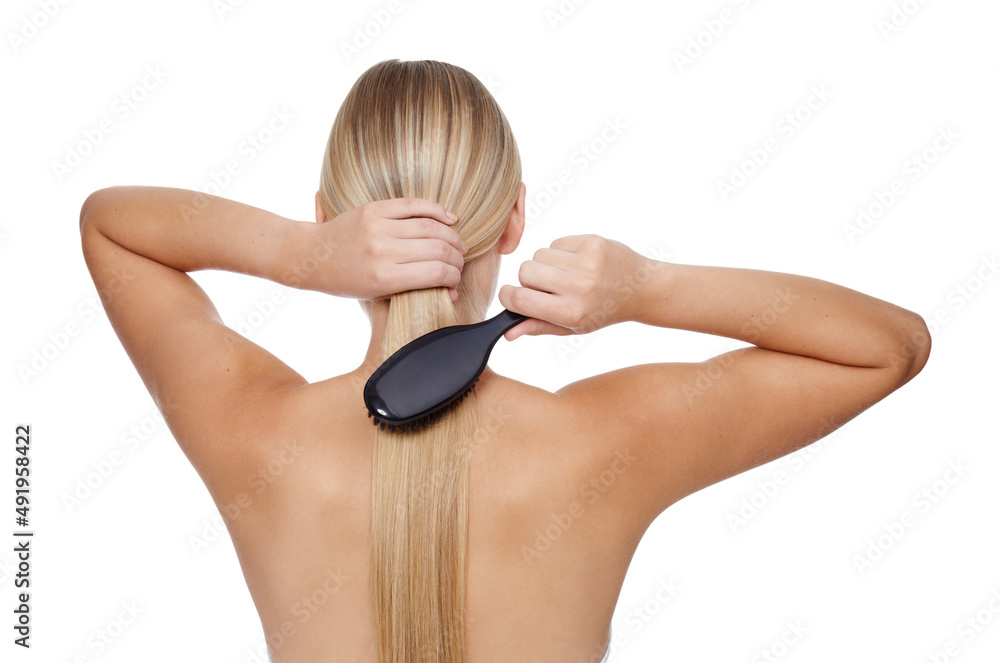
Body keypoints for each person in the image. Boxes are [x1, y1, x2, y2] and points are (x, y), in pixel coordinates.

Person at [79, 59, 931, 663]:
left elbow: (110, 225)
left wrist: (297, 252)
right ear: (515, 219)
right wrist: (648, 286)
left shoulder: (256, 436)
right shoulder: (608, 443)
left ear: (329, 215)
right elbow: (888, 349)